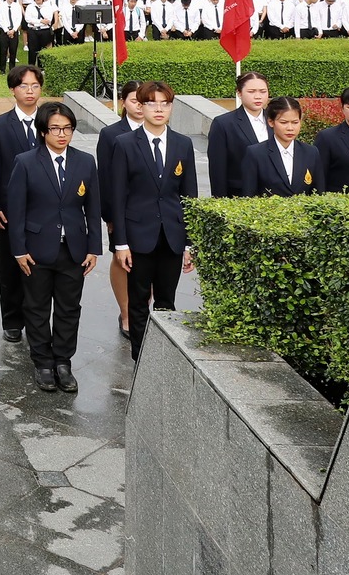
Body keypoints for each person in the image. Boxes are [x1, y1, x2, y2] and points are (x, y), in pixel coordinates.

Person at [6, 101, 101, 392]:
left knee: (69, 307)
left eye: (68, 128)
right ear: (43, 131)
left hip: (73, 248)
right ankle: (43, 362)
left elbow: (92, 207)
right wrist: (19, 250)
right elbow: (16, 210)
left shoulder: (85, 162)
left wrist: (93, 247)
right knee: (35, 307)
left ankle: (63, 361)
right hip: (36, 249)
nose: (62, 134)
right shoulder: (26, 162)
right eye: (56, 129)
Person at [108, 79, 199, 361]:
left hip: (171, 237)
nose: (159, 109)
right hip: (138, 237)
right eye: (151, 103)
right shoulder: (124, 144)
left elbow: (189, 196)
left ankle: (162, 357)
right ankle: (139, 356)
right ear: (140, 106)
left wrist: (189, 243)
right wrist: (120, 243)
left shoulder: (183, 144)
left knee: (166, 301)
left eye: (165, 104)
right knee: (137, 302)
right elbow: (118, 198)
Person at [0, 63, 45, 345]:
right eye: (23, 86)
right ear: (12, 90)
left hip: (44, 207)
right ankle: (11, 320)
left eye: (34, 86)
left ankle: (36, 318)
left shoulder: (50, 121)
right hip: (9, 208)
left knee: (40, 265)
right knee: (9, 264)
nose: (29, 91)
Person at [95, 80, 145, 338]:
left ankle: (145, 311)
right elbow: (104, 176)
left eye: (143, 101)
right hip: (122, 210)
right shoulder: (111, 134)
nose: (139, 106)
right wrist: (109, 215)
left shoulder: (158, 129)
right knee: (121, 259)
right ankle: (126, 313)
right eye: (134, 100)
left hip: (150, 210)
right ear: (123, 102)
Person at [240, 96, 325, 197]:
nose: (290, 128)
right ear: (271, 122)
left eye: (295, 122)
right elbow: (249, 196)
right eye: (283, 122)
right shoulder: (256, 153)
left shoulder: (311, 152)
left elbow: (318, 194)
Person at [206, 70, 271, 198]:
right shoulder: (224, 123)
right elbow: (217, 169)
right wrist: (220, 202)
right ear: (239, 93)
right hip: (239, 197)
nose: (258, 96)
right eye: (251, 92)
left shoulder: (276, 120)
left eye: (263, 91)